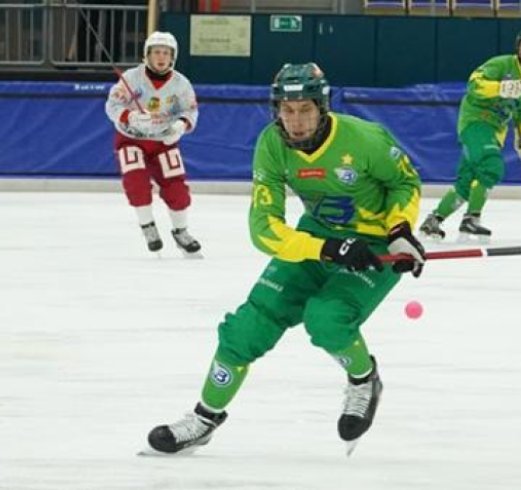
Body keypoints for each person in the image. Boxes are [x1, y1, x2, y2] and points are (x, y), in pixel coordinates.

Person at [145, 63, 426, 455]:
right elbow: (264, 227)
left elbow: (404, 183)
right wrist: (326, 248)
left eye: (305, 109)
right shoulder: (272, 145)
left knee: (326, 320)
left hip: (374, 247)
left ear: (323, 107)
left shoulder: (365, 139)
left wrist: (399, 232)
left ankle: (363, 380)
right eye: (287, 110)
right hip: (316, 240)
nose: (295, 121)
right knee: (247, 327)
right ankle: (206, 416)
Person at [419, 26, 521, 242]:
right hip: (476, 122)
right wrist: (501, 88)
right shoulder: (500, 64)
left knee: (466, 183)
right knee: (491, 166)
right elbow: (473, 85)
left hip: (496, 131)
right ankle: (472, 219)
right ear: (518, 48)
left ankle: (433, 221)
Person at [105, 31, 202, 256]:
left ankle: (180, 230)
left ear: (173, 57)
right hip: (131, 139)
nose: (161, 57)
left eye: (166, 53)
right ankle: (148, 226)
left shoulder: (181, 83)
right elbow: (112, 105)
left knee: (176, 187)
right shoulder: (131, 78)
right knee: (136, 181)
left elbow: (190, 110)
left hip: (164, 141)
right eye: (156, 52)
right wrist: (130, 117)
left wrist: (180, 127)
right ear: (147, 55)